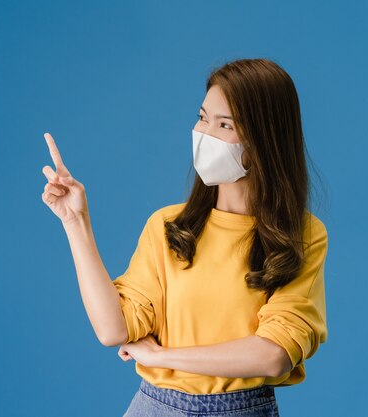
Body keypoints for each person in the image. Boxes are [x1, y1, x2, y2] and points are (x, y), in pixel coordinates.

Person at [41, 58, 328, 417]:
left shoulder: (302, 235)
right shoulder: (168, 225)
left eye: (224, 124)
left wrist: (163, 357)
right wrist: (75, 221)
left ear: (264, 139)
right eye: (203, 117)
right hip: (155, 406)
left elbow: (273, 356)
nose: (205, 133)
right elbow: (113, 329)